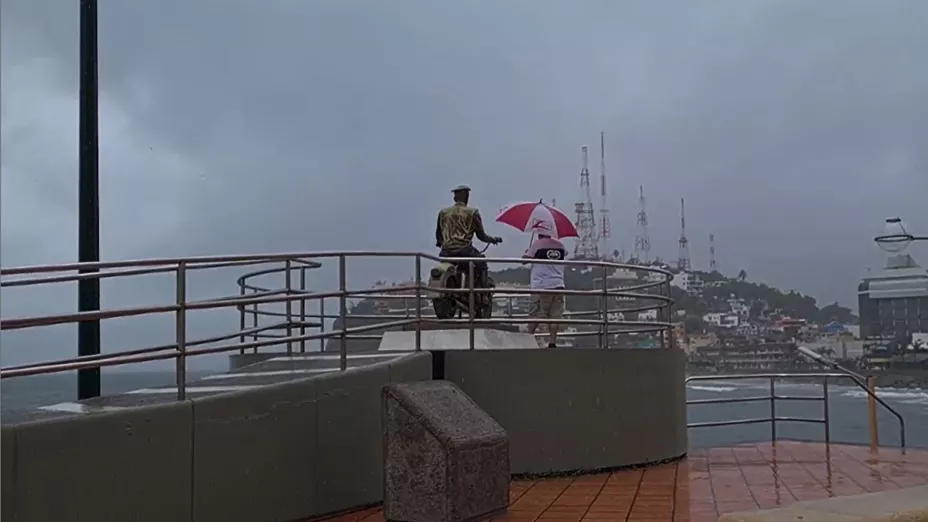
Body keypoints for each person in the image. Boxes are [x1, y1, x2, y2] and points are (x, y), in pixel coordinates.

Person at [435, 185, 503, 288]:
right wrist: (493, 240)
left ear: (454, 198)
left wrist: (441, 242)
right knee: (482, 263)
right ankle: (483, 291)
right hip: (465, 251)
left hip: (446, 252)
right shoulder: (472, 212)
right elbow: (481, 236)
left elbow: (439, 235)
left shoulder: (443, 213)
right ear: (467, 197)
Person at [523, 233, 567, 348]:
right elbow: (564, 255)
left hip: (541, 286)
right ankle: (552, 342)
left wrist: (527, 252)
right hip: (558, 285)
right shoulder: (561, 246)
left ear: (539, 234)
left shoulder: (537, 244)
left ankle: (528, 340)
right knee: (555, 316)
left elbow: (524, 261)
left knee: (534, 314)